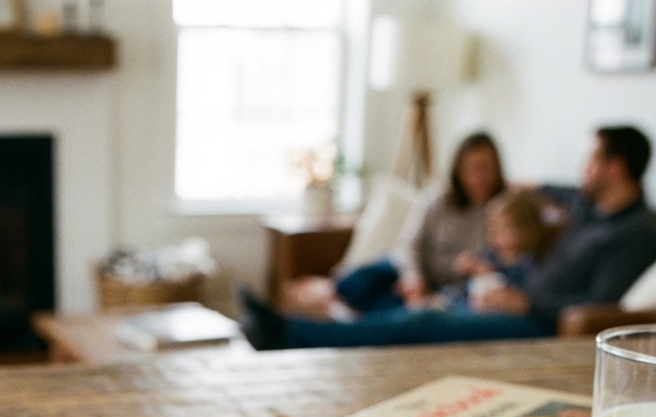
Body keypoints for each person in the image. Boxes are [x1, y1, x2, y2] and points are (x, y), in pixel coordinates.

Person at [243, 125, 656, 349]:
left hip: (535, 320)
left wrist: (526, 301)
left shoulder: (634, 232)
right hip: (507, 292)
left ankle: (287, 334)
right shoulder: (588, 207)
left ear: (615, 168)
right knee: (401, 304)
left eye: (592, 159)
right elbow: (555, 190)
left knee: (421, 321)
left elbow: (603, 305)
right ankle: (292, 328)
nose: (583, 168)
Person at [284, 132, 506, 317]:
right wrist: (414, 279)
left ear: (497, 169)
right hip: (408, 270)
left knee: (404, 312)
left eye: (485, 167)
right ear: (458, 171)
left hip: (444, 291)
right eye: (471, 168)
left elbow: (501, 266)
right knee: (353, 283)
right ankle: (312, 294)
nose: (479, 176)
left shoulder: (503, 210)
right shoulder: (438, 200)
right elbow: (408, 244)